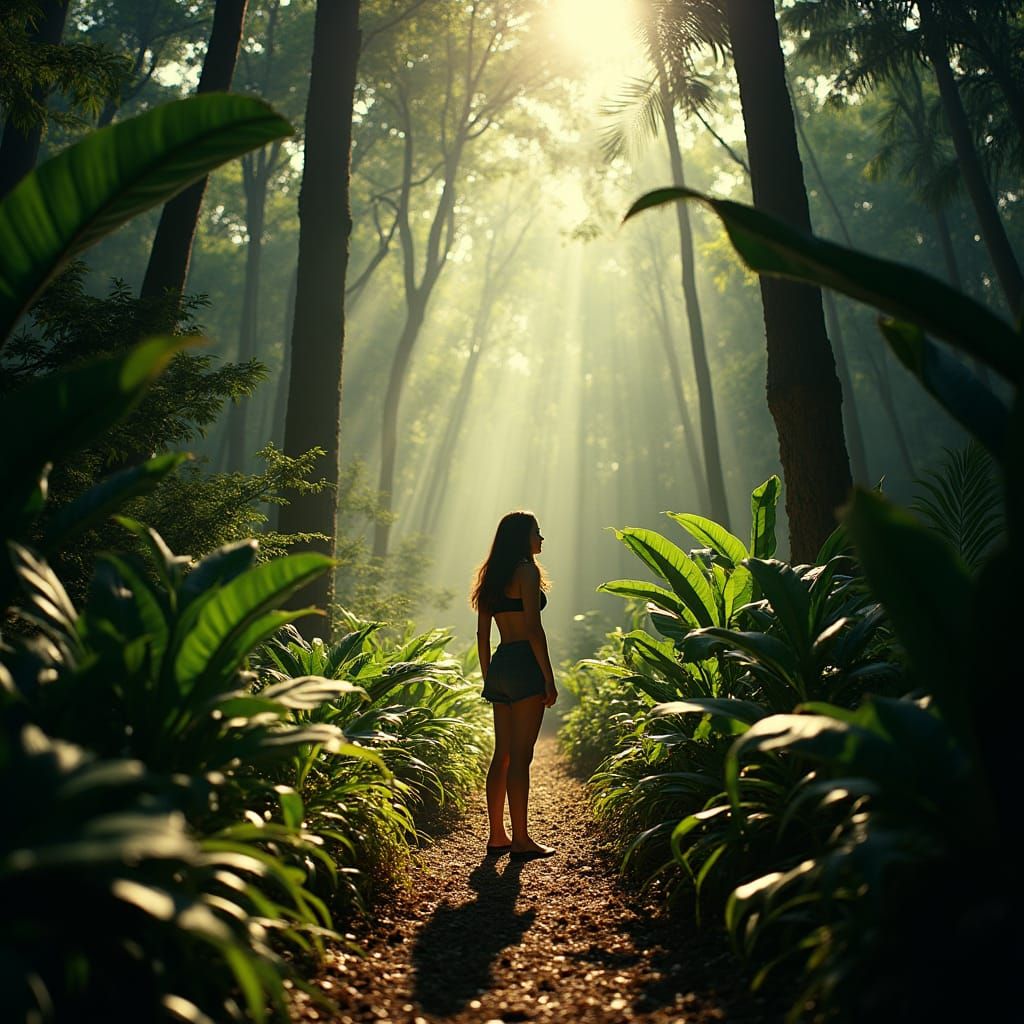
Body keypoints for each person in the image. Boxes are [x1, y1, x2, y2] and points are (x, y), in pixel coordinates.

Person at [470, 510, 557, 861]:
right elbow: (534, 630)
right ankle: (521, 839)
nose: (541, 538)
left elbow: (482, 634)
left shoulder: (491, 575)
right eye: (537, 532)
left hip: (502, 663)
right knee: (522, 755)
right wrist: (548, 678)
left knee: (502, 754)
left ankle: (497, 835)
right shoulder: (527, 571)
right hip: (524, 664)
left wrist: (489, 674)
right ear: (522, 537)